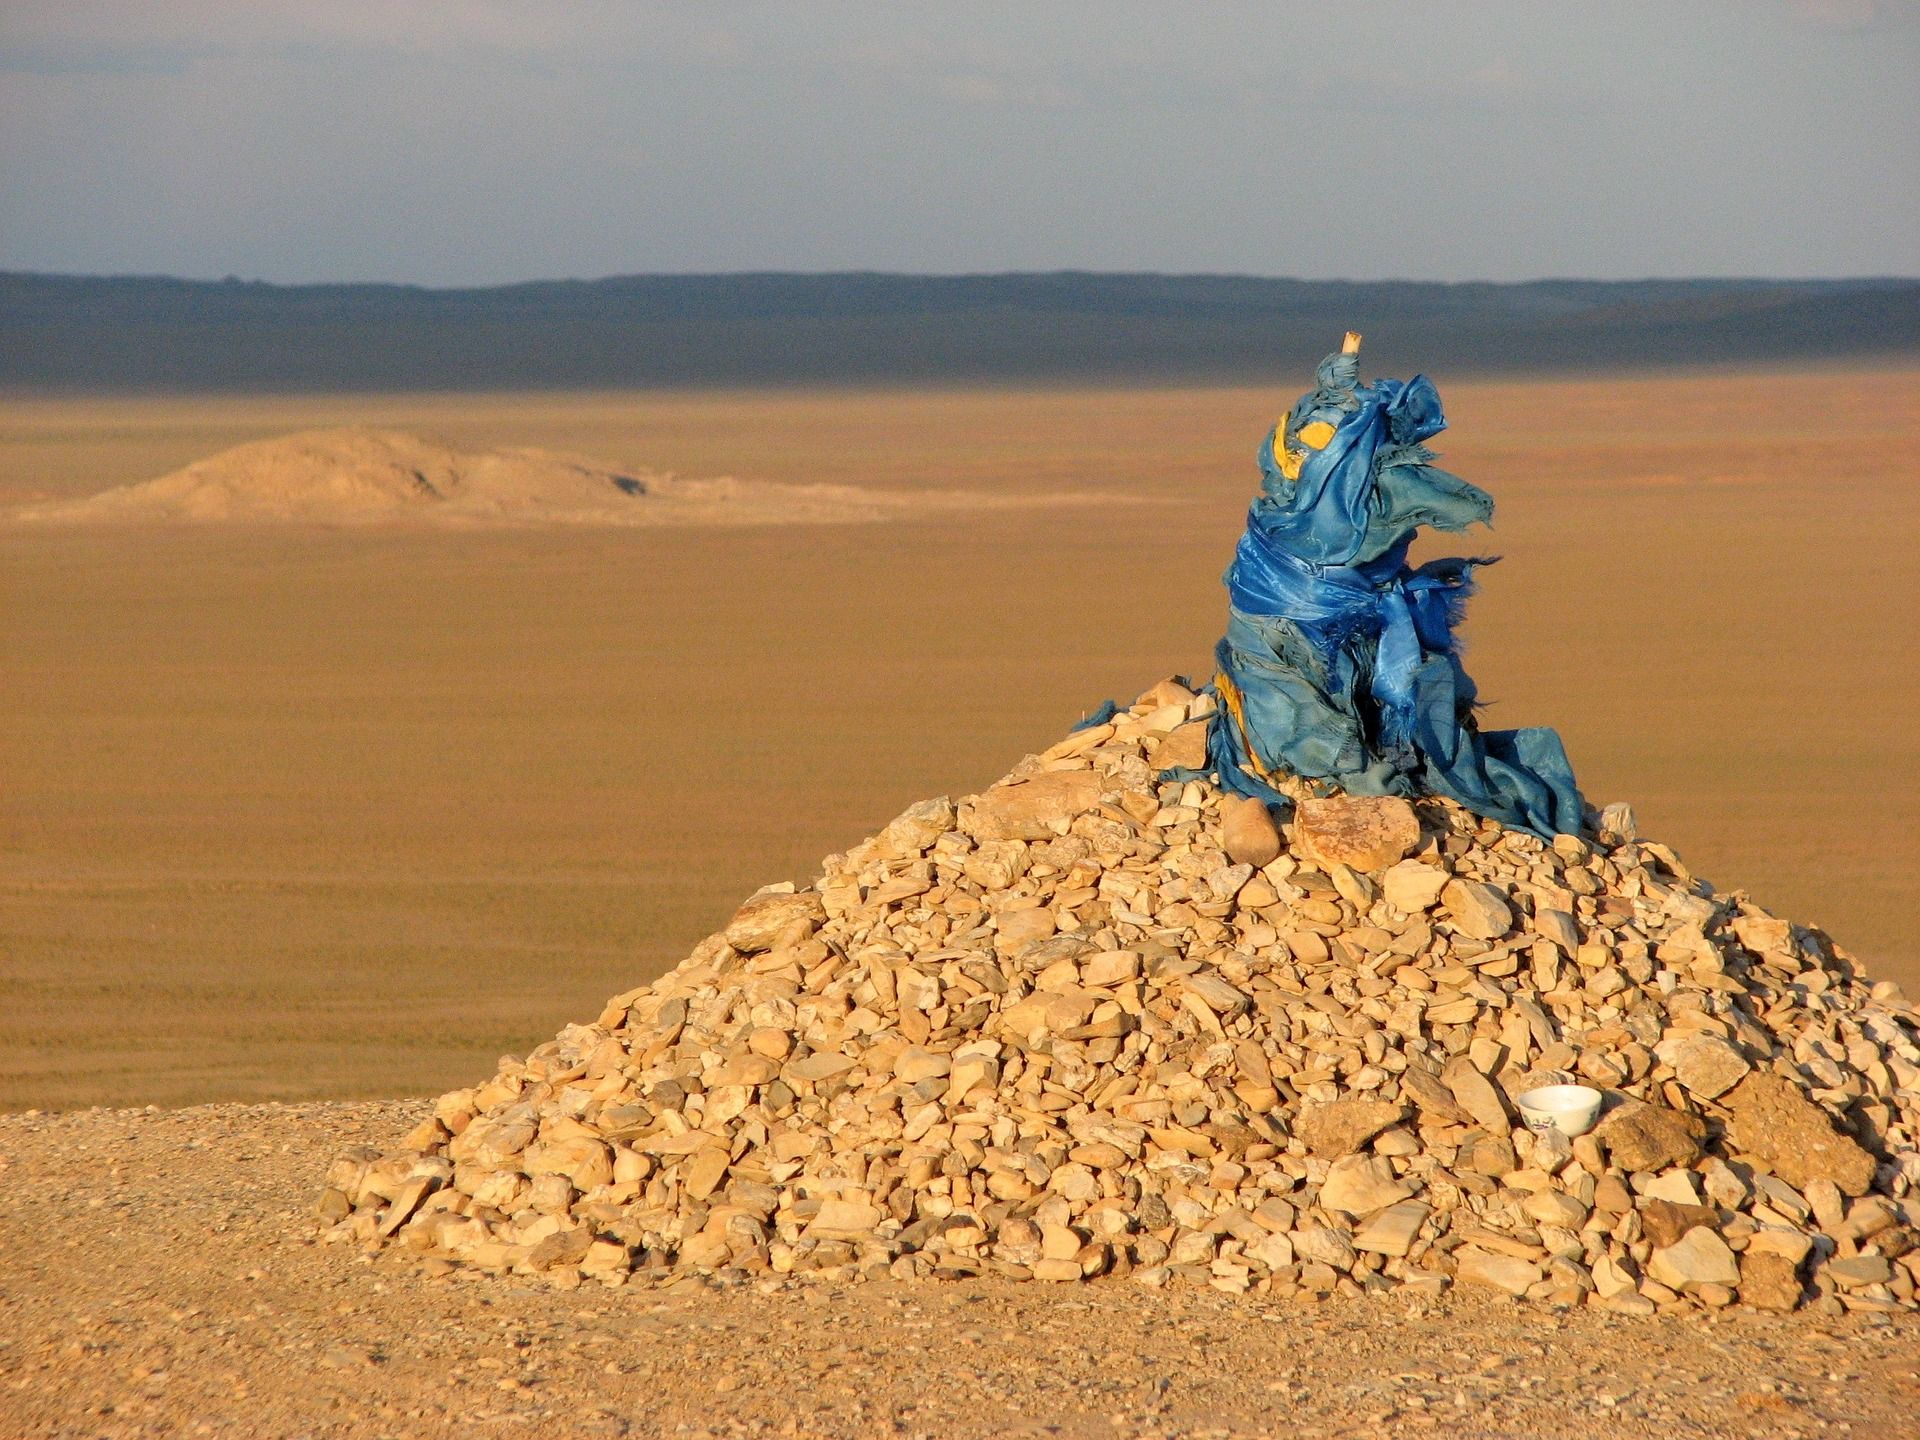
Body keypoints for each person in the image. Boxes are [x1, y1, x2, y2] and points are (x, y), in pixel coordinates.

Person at [1203, 334, 1584, 838]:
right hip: (1290, 613)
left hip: (1327, 607)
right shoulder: (1310, 507)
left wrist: (1341, 379)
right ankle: (1344, 765)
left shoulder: (1331, 487)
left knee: (1388, 675)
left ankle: (1376, 749)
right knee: (1294, 693)